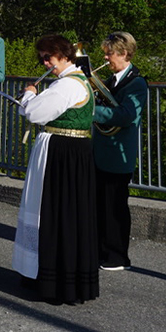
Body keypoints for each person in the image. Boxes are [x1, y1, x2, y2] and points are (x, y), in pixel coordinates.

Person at [11, 34, 99, 305]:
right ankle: (45, 274)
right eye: (42, 58)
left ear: (64, 55)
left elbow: (36, 114)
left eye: (49, 57)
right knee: (63, 213)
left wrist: (28, 96)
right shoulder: (72, 81)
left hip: (63, 154)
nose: (45, 62)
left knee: (57, 213)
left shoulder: (68, 85)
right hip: (68, 151)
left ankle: (59, 281)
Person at [91, 31, 148, 272]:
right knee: (100, 204)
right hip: (102, 150)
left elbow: (126, 115)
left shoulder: (136, 82)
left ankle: (117, 255)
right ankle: (100, 250)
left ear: (124, 53)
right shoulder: (112, 79)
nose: (106, 57)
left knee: (115, 207)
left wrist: (91, 110)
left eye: (109, 53)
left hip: (118, 153)